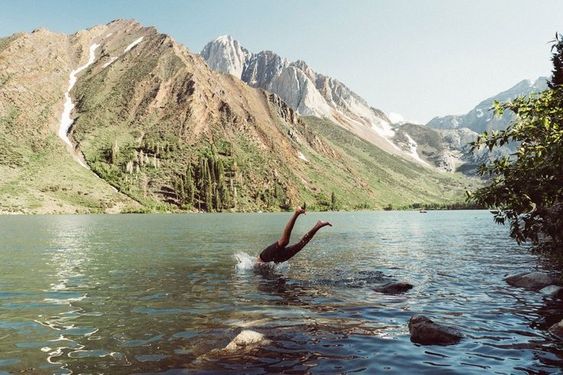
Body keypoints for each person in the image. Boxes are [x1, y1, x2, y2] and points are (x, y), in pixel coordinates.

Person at [257, 206, 332, 264]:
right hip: (277, 259)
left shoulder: (255, 265)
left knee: (284, 241)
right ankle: (318, 225)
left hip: (265, 258)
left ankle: (296, 213)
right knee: (300, 246)